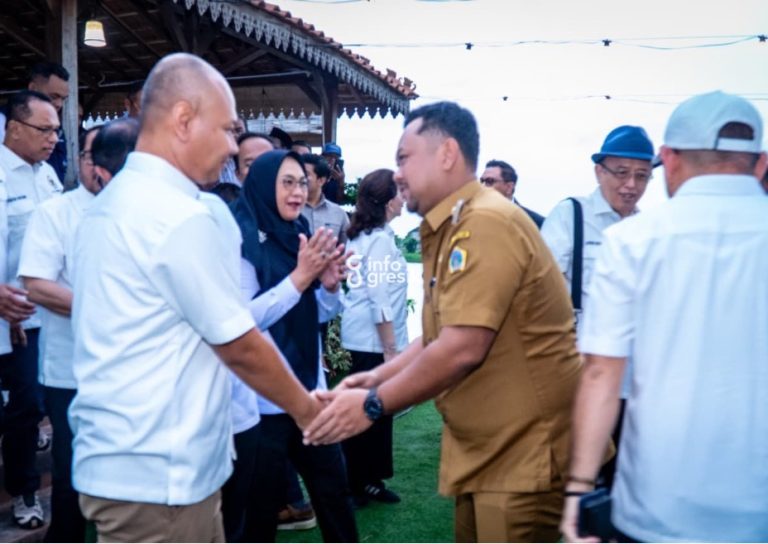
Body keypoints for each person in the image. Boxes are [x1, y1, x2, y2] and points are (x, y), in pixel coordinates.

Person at [68, 53, 321, 543]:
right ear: (184, 119)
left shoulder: (113, 202)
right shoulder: (179, 214)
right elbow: (239, 343)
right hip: (161, 476)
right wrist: (310, 412)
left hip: (129, 464)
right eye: (227, 130)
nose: (231, 148)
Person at [305, 101, 581, 542]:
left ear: (447, 155)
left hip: (523, 455)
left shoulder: (485, 222)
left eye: (404, 158)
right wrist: (371, 378)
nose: (397, 174)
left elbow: (463, 347)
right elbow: (437, 336)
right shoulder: (451, 225)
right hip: (488, 449)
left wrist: (373, 405)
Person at [560, 91, 768, 543]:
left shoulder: (634, 240)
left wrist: (578, 489)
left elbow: (600, 375)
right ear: (760, 162)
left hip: (657, 506)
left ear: (668, 160)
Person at [231, 150, 358, 543]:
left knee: (335, 495)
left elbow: (314, 313)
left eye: (302, 182)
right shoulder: (240, 239)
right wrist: (301, 278)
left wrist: (330, 287)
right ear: (264, 184)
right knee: (260, 511)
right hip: (261, 402)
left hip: (310, 391)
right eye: (287, 182)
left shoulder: (299, 232)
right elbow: (243, 323)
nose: (298, 191)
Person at [541, 125, 654, 489]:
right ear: (599, 171)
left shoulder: (648, 229)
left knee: (621, 480)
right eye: (621, 172)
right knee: (573, 479)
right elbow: (541, 293)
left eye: (642, 176)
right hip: (578, 377)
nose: (631, 185)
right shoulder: (571, 215)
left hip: (633, 384)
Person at [15, 122, 112, 542]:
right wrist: (115, 310)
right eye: (94, 158)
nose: (102, 170)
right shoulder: (56, 211)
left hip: (133, 371)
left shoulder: (144, 215)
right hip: (72, 371)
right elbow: (37, 284)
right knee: (73, 474)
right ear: (81, 161)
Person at [0, 89, 63, 530]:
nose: (54, 138)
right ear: (14, 128)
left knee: (27, 405)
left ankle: (25, 492)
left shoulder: (47, 177)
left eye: (57, 130)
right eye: (46, 129)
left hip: (33, 317)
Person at [340, 168, 407, 507]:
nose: (405, 195)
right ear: (387, 199)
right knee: (373, 412)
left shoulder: (360, 235)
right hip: (372, 341)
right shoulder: (378, 238)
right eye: (400, 190)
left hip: (358, 336)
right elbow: (379, 298)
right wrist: (391, 350)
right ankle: (363, 483)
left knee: (366, 411)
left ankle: (363, 481)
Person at [301, 153, 350, 244]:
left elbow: (347, 248)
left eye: (305, 174)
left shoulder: (338, 214)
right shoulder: (288, 209)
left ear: (321, 180)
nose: (300, 178)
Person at [480, 159, 544, 227]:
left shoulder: (536, 223)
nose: (482, 186)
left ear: (509, 187)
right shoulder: (472, 217)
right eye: (481, 181)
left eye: (489, 181)